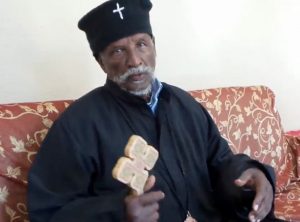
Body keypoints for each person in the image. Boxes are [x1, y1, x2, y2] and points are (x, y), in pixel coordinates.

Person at [28, 0, 282, 221]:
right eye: (118, 50)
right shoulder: (78, 125)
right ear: (100, 61)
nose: (135, 61)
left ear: (154, 47)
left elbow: (221, 162)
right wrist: (118, 212)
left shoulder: (184, 103)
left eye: (141, 44)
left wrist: (250, 175)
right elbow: (49, 212)